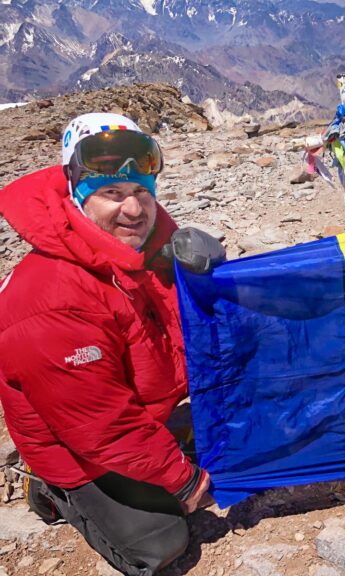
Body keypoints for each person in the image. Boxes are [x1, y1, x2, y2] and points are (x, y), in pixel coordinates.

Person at [0, 113, 225, 575]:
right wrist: (184, 482)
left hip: (134, 412)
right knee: (162, 542)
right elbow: (100, 424)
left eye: (142, 191)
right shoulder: (53, 297)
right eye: (112, 194)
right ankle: (53, 492)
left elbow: (177, 339)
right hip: (78, 447)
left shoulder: (142, 252)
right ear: (75, 194)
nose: (134, 209)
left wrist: (205, 279)